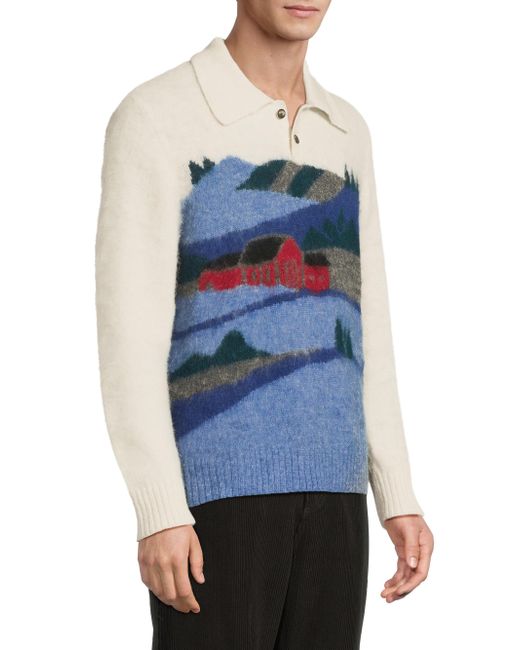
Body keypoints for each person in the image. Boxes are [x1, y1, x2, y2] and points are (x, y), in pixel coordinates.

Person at [95, 1, 434, 648]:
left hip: (337, 501)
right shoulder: (157, 116)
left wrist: (397, 492)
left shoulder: (346, 132)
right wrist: (159, 507)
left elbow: (368, 325)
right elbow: (128, 338)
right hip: (212, 507)